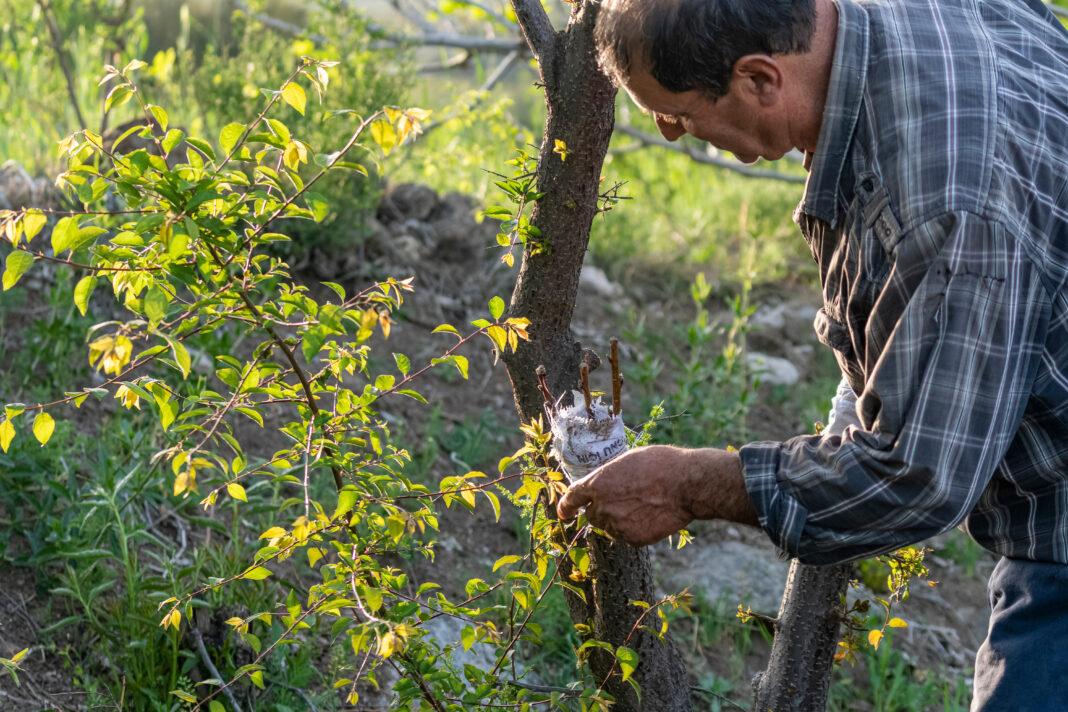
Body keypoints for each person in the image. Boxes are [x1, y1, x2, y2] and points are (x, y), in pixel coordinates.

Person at [555, 0, 1068, 708]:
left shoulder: (946, 201)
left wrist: (688, 484)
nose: (669, 132)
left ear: (762, 79)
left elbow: (915, 476)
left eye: (673, 110)